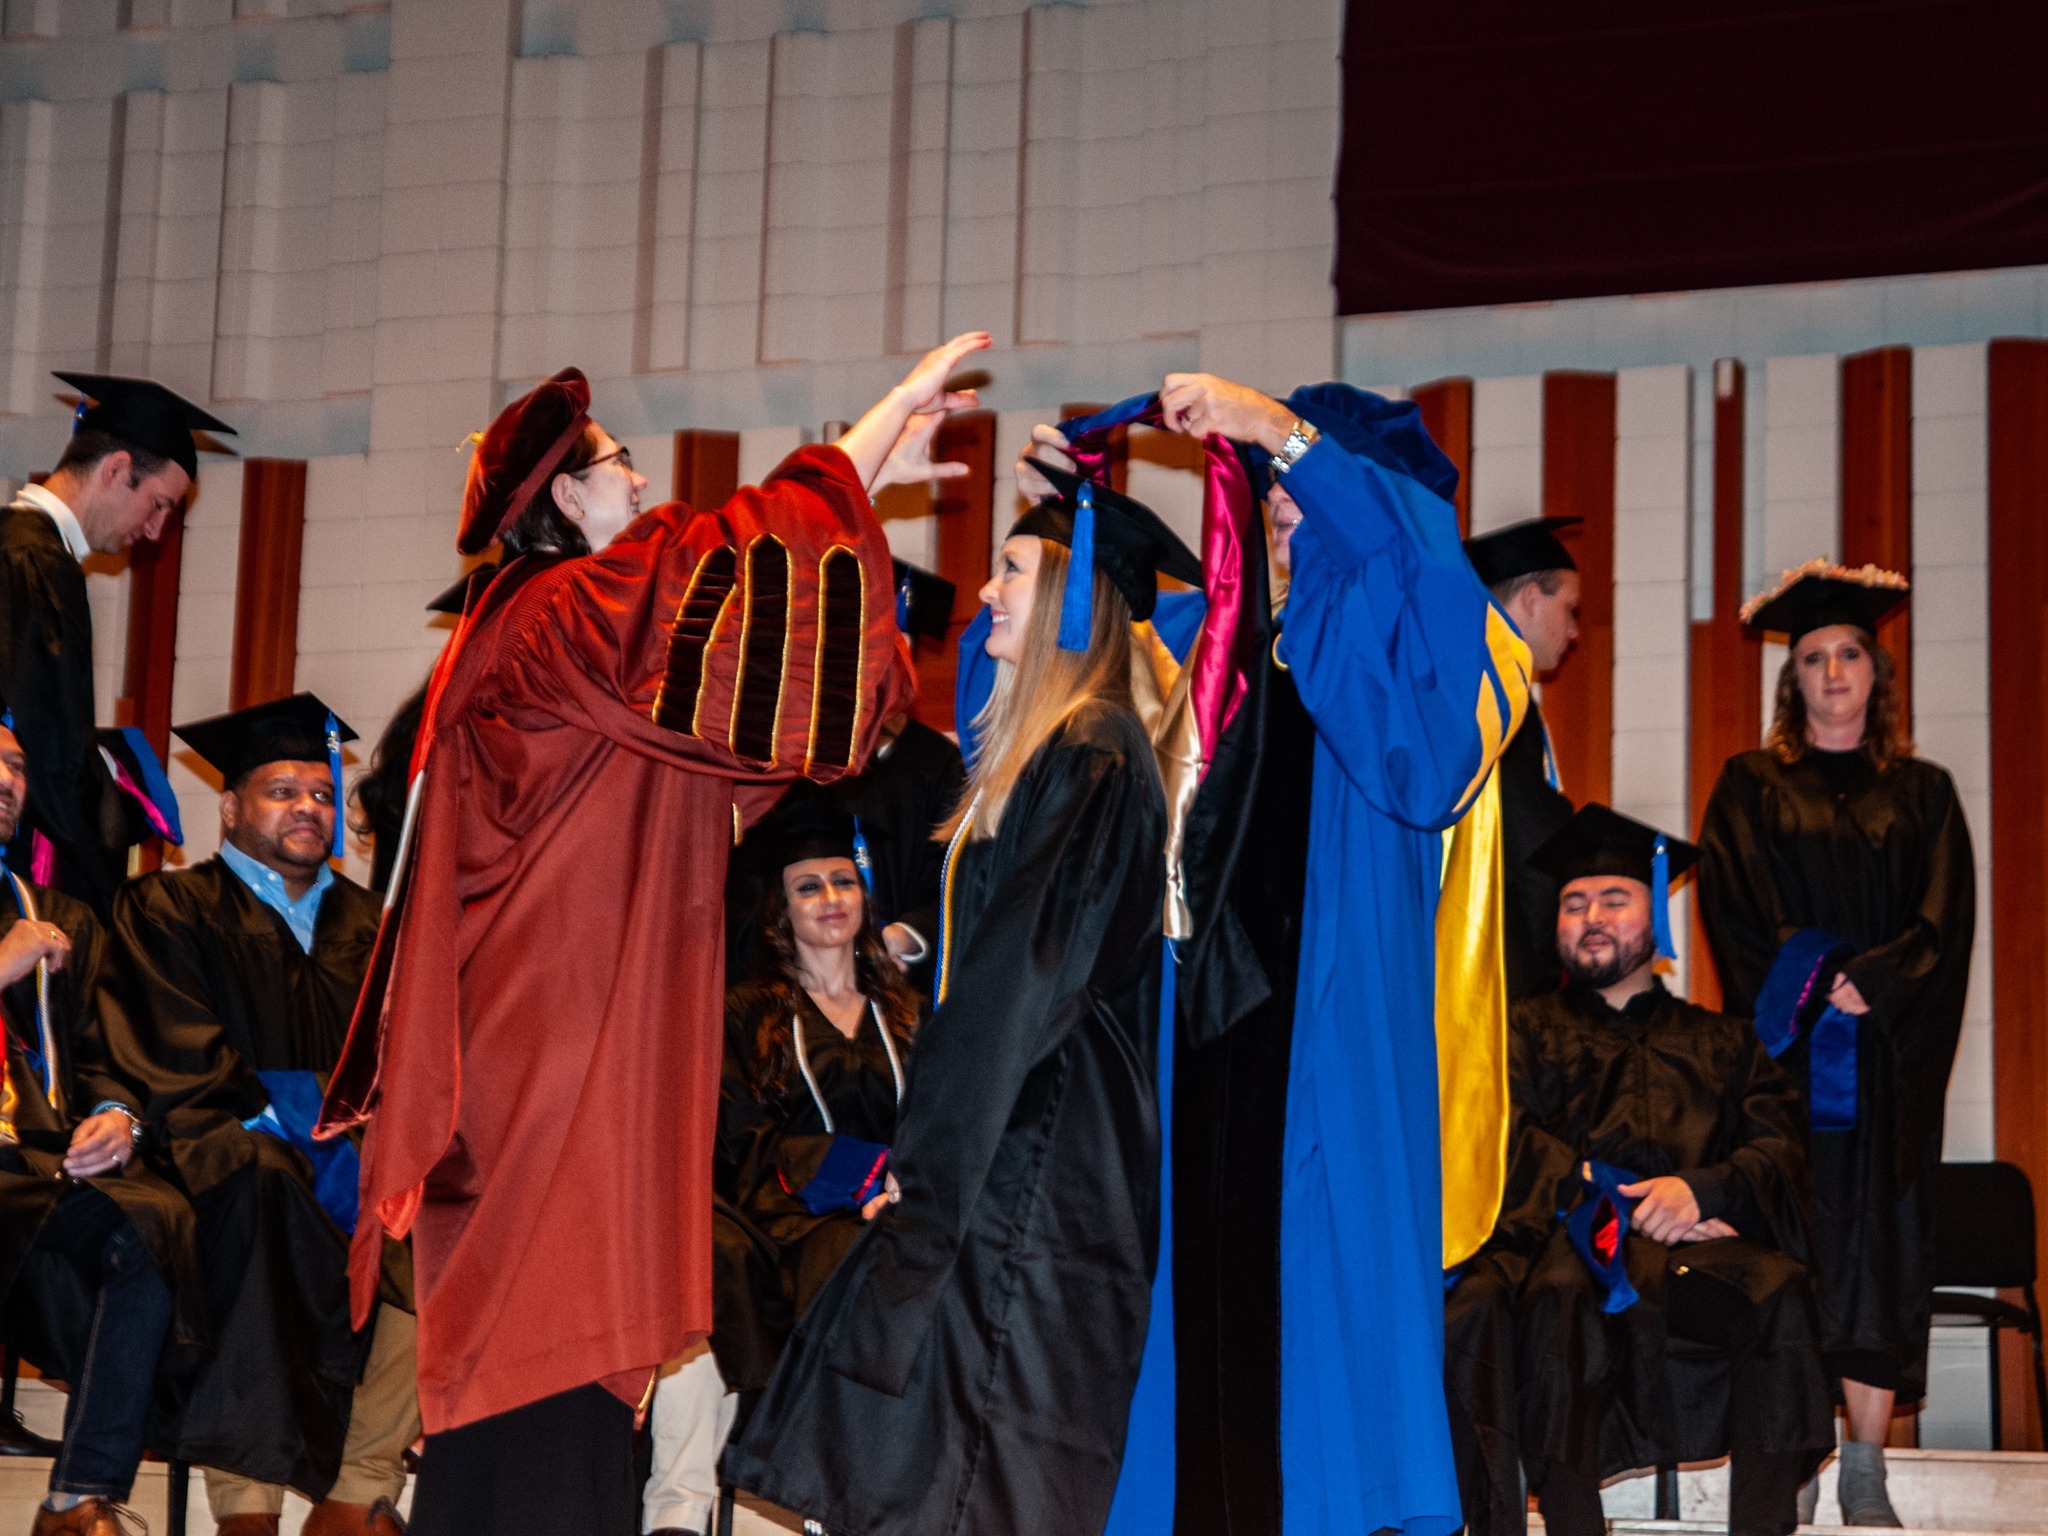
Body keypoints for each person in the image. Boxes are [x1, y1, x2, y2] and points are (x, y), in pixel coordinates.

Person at [318, 335, 986, 1536]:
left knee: (551, 1357)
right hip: (548, 1048)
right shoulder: (560, 616)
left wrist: (865, 473)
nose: (642, 485)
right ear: (564, 497)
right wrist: (867, 439)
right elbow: (723, 573)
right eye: (621, 466)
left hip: (550, 1034)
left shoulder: (547, 646)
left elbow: (736, 715)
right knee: (542, 1332)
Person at [722, 445, 1191, 1534]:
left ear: (1077, 596)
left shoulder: (1091, 751)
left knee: (996, 1450)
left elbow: (1015, 991)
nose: (983, 592)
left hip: (1037, 1145)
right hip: (1022, 1135)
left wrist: (927, 1172)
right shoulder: (1057, 752)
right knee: (951, 1445)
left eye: (1013, 570)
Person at [1445, 803, 1835, 1536]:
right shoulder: (1520, 1033)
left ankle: (1762, 1526)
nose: (1591, 916)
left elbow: (1779, 1144)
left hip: (1688, 1255)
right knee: (1555, 1296)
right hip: (1569, 1244)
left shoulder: (1723, 1041)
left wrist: (1700, 1191)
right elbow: (1505, 1135)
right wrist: (1609, 1198)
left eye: (1614, 899)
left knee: (1779, 1291)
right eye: (1574, 902)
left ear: (1653, 915)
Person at [96, 694, 414, 1536]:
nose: (307, 808)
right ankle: (246, 1504)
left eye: (318, 792)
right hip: (220, 1144)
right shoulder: (169, 907)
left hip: (353, 1151)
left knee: (441, 1220)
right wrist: (304, 1117)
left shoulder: (374, 925)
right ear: (231, 807)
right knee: (262, 1191)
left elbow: (408, 1057)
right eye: (282, 791)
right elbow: (169, 1044)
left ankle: (357, 1486)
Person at [1697, 563, 1975, 1527]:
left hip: (1889, 1070)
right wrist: (1817, 982)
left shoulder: (1927, 793)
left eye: (1848, 652)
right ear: (1794, 680)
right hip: (1791, 1066)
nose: (1831, 670)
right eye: (1812, 658)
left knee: (1884, 1255)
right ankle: (1799, 1447)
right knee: (1794, 1248)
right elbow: (1736, 910)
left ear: (1876, 670)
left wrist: (1879, 982)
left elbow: (1945, 920)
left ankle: (1865, 1463)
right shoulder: (1750, 785)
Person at [642, 792, 922, 1536]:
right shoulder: (746, 1011)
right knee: (705, 1264)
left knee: (870, 1257)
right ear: (782, 907)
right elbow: (739, 1138)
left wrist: (895, 1187)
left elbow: (937, 1121)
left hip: (886, 1218)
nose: (831, 899)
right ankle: (679, 1508)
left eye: (844, 881)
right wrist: (857, 1176)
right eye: (809, 886)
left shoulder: (907, 1011)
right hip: (775, 1219)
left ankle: (848, 1502)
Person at [0, 711, 208, 1536]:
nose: (8, 781)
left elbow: (103, 1045)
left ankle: (76, 1496)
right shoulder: (26, 932)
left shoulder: (54, 913)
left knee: (154, 1221)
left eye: (16, 764)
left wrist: (120, 1115)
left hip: (27, 1159)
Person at [0, 374, 233, 918]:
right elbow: (43, 751)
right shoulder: (36, 565)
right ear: (116, 470)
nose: (154, 531)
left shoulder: (16, 547)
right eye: (157, 505)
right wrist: (113, 799)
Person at [1464, 518, 1582, 1000]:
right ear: (1531, 598)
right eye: (1570, 610)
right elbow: (1528, 836)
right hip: (1497, 964)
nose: (1575, 631)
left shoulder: (1465, 681)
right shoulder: (1499, 701)